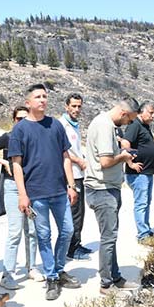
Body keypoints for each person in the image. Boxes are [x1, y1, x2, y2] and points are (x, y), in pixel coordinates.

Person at [8, 85, 81, 301]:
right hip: (36, 194)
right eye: (37, 97)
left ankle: (58, 270)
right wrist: (22, 194)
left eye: (45, 96)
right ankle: (51, 276)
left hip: (59, 191)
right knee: (44, 235)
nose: (42, 100)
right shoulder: (20, 130)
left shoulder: (56, 125)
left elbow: (65, 157)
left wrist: (71, 185)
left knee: (67, 231)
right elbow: (17, 165)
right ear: (28, 102)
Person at [85, 97, 142, 293]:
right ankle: (106, 283)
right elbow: (106, 162)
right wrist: (124, 156)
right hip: (102, 190)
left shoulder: (108, 125)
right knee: (108, 237)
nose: (129, 124)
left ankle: (115, 276)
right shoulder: (104, 126)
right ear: (123, 113)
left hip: (109, 188)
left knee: (111, 235)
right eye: (130, 119)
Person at [0, 107, 39, 287]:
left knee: (32, 230)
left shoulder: (34, 136)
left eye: (25, 118)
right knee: (15, 231)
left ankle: (31, 268)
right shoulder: (8, 136)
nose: (21, 122)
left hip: (31, 187)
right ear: (13, 120)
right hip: (12, 186)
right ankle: (8, 274)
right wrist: (4, 161)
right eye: (18, 118)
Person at [59, 93, 92, 261]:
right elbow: (62, 150)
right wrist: (78, 160)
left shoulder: (75, 125)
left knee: (80, 211)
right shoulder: (62, 124)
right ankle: (71, 248)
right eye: (73, 106)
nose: (76, 109)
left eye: (79, 106)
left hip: (79, 172)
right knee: (74, 211)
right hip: (70, 174)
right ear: (67, 106)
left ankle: (77, 243)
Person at [123, 102, 154, 241]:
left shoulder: (145, 126)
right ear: (141, 112)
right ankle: (142, 234)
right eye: (151, 112)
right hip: (138, 174)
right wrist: (130, 163)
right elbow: (125, 143)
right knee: (141, 203)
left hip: (147, 172)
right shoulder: (134, 125)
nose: (153, 116)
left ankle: (146, 229)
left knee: (146, 202)